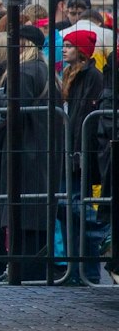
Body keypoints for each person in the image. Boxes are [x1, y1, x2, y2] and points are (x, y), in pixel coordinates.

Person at [0, 25, 57, 283]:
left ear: (23, 45)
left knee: (22, 215)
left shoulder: (24, 71)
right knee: (35, 215)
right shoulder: (45, 70)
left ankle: (22, 272)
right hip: (40, 150)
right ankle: (27, 271)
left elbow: (15, 109)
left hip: (24, 152)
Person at [59, 28, 111, 284]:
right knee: (70, 212)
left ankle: (89, 270)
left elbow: (86, 121)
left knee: (83, 214)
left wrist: (80, 151)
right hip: (71, 156)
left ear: (81, 51)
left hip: (83, 155)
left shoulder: (93, 78)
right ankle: (76, 270)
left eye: (69, 45)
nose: (64, 49)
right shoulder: (69, 75)